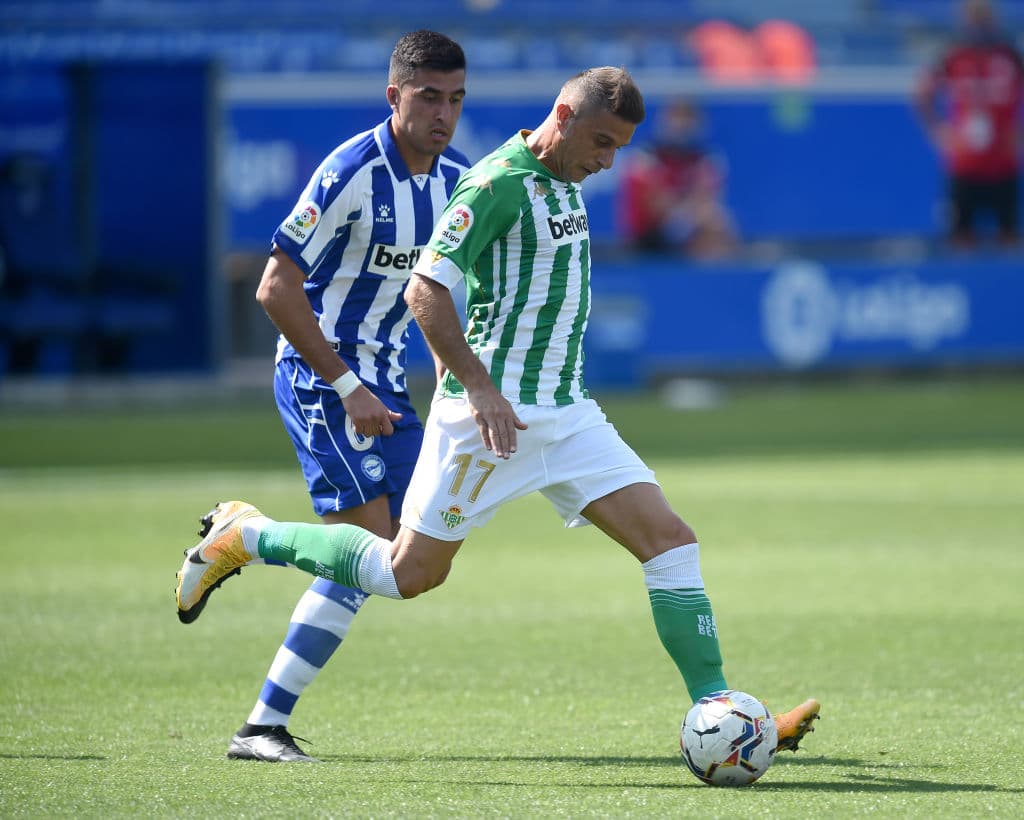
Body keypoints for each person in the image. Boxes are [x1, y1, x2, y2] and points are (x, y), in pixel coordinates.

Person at [176, 66, 820, 754]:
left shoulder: (562, 179)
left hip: (568, 417)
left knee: (671, 543)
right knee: (407, 574)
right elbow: (426, 289)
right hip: (490, 422)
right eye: (601, 142)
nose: (606, 162)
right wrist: (479, 386)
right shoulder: (494, 183)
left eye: (619, 150)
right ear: (563, 116)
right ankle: (248, 536)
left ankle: (724, 716)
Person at [179, 30, 470, 763]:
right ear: (394, 96)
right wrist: (345, 385)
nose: (443, 113)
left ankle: (246, 536)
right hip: (322, 380)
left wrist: (443, 378)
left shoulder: (456, 180)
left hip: (392, 391)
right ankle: (260, 726)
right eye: (429, 96)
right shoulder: (350, 170)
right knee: (366, 552)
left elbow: (436, 292)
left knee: (410, 567)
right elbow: (274, 288)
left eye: (456, 99)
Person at [914, 0, 1024, 247]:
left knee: (1009, 241)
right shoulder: (952, 56)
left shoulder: (1011, 56)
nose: (978, 25)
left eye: (983, 18)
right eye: (973, 19)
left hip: (1004, 163)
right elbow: (921, 94)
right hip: (964, 164)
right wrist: (939, 132)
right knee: (961, 240)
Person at [618, 99, 738, 259]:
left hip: (689, 228)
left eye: (688, 120)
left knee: (719, 225)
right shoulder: (644, 159)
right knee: (709, 224)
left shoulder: (706, 160)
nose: (682, 126)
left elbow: (708, 200)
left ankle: (719, 274)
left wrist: (699, 214)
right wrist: (693, 213)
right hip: (648, 237)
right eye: (677, 119)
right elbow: (657, 205)